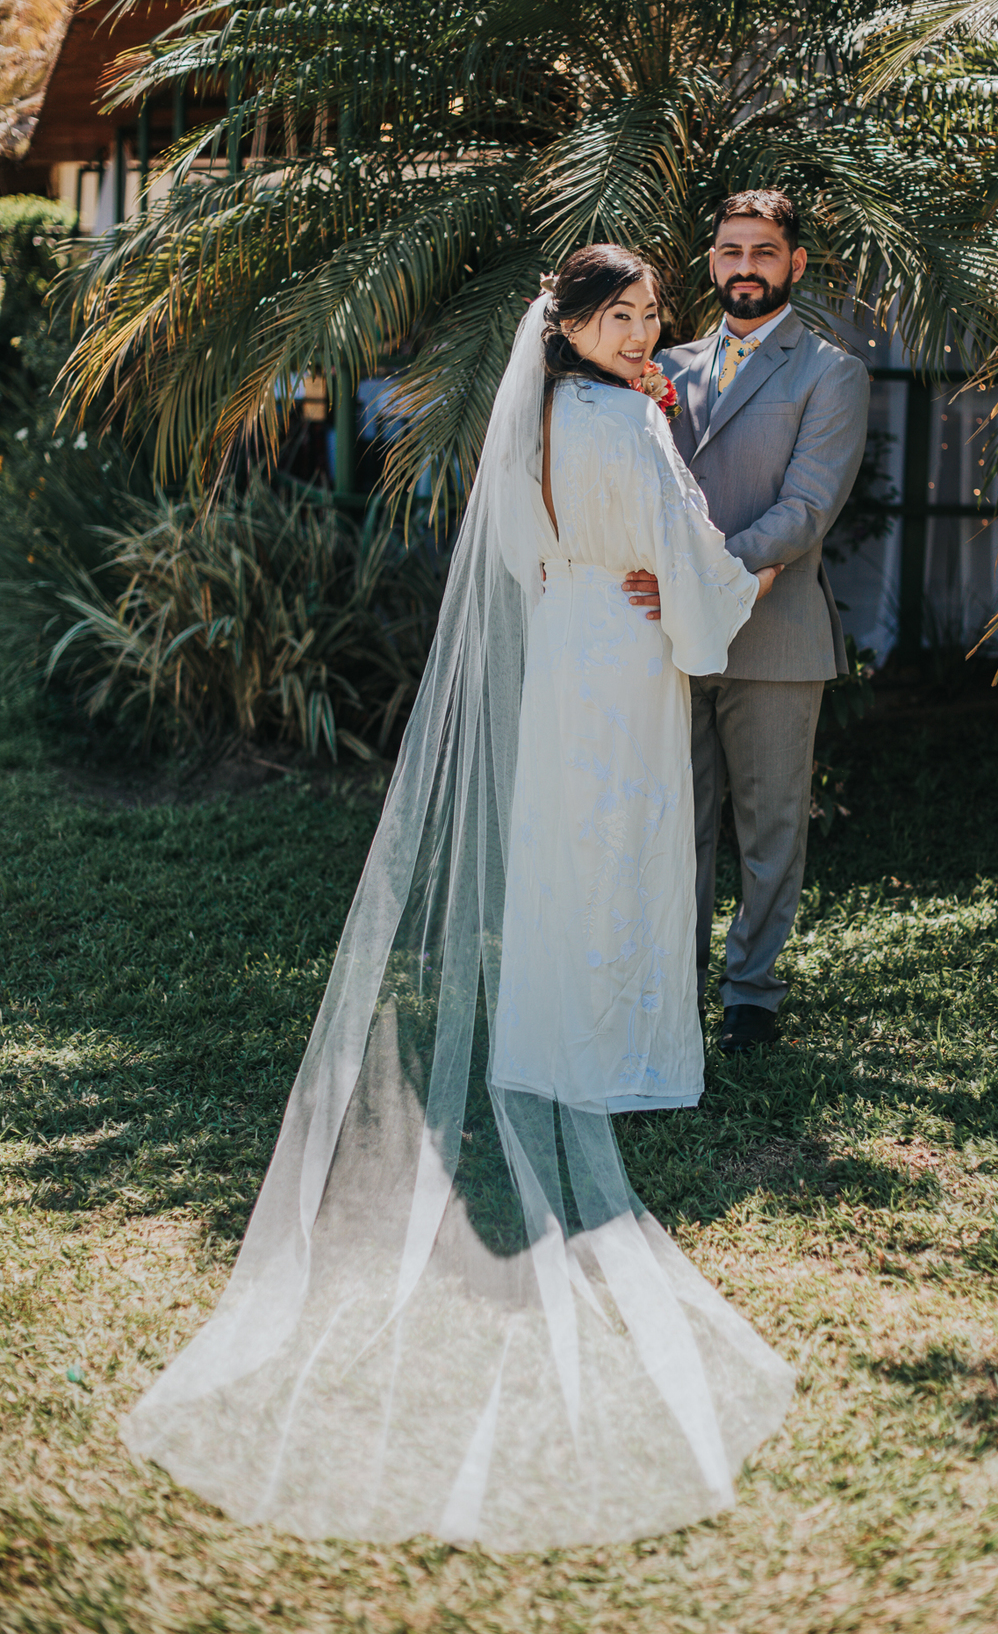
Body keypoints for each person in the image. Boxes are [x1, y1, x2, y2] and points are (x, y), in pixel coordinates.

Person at [119, 245, 794, 1553]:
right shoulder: (631, 426)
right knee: (629, 851)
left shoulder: (533, 417)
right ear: (582, 322)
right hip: (631, 652)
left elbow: (530, 557)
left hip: (562, 653)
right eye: (627, 313)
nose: (645, 330)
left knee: (558, 852)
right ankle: (622, 1053)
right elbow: (689, 556)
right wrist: (724, 590)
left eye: (655, 313)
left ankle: (545, 1036)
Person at [623, 189, 869, 1054]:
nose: (745, 269)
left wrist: (707, 578)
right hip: (671, 638)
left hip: (775, 636)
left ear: (794, 264)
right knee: (675, 823)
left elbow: (806, 510)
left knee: (769, 828)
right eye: (731, 253)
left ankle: (752, 996)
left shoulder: (830, 373)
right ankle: (673, 985)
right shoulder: (663, 368)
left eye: (763, 253)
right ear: (713, 262)